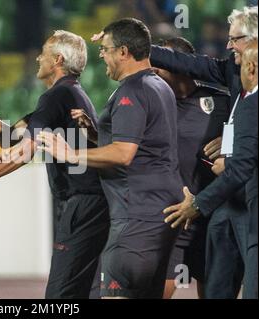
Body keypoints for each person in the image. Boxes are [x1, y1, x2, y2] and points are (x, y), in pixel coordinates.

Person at [0, 30, 110, 299]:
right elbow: (9, 136)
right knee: (85, 292)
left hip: (82, 205)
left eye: (44, 52)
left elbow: (24, 151)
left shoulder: (57, 97)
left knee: (60, 296)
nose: (39, 57)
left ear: (58, 59)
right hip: (88, 204)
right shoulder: (67, 95)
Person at [38, 18, 183, 299]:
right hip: (160, 213)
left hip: (134, 217)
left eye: (105, 49)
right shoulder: (159, 86)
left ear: (124, 52)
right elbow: (145, 146)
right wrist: (95, 136)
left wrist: (70, 153)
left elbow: (124, 153)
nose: (101, 54)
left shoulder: (132, 91)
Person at [150, 6, 257, 298]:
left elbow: (247, 156)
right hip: (225, 204)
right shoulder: (233, 71)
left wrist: (233, 152)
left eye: (235, 38)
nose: (228, 45)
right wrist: (137, 48)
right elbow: (190, 62)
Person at [153, 37, 231, 299]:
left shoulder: (222, 100)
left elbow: (249, 134)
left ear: (182, 66)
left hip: (214, 217)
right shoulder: (153, 104)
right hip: (175, 218)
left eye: (160, 64)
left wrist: (231, 139)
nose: (153, 70)